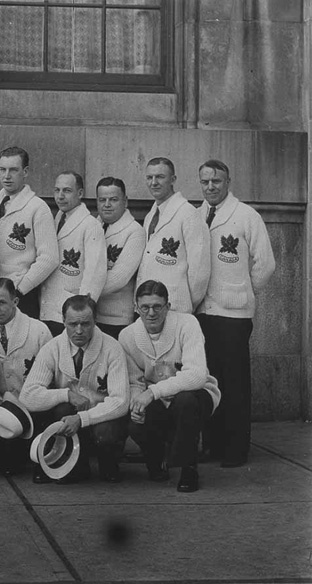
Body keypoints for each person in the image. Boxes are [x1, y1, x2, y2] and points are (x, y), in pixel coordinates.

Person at [195, 160, 275, 467]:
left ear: (228, 181)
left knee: (235, 384)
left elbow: (265, 264)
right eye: (205, 182)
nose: (211, 187)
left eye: (216, 181)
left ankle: (235, 450)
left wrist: (243, 289)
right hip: (204, 311)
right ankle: (212, 444)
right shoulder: (197, 214)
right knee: (209, 380)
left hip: (234, 314)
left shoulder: (246, 215)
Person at [119, 280, 221, 493]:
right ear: (136, 308)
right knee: (135, 420)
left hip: (194, 395)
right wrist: (137, 402)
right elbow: (134, 381)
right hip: (155, 399)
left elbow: (196, 376)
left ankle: (188, 468)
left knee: (185, 401)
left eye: (157, 306)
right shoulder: (127, 335)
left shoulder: (187, 324)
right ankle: (156, 460)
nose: (151, 313)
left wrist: (152, 392)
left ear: (168, 306)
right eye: (145, 307)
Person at [20, 295, 129, 484]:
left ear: (95, 321)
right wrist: (66, 394)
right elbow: (28, 396)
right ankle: (76, 465)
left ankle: (108, 463)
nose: (79, 331)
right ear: (63, 321)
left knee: (106, 433)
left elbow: (120, 401)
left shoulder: (112, 347)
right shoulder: (52, 348)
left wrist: (82, 419)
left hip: (100, 416)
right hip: (69, 416)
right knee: (61, 408)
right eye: (72, 324)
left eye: (86, 324)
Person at [0, 277, 52, 475]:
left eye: (1, 302)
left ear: (15, 302)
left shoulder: (38, 330)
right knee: (3, 462)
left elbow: (52, 373)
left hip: (34, 404)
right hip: (2, 407)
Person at [0, 147, 59, 320]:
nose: (7, 176)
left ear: (25, 172)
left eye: (13, 170)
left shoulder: (37, 207)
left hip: (21, 295)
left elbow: (49, 257)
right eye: (2, 170)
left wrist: (20, 289)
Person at [137, 157, 210, 314]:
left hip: (176, 306)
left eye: (160, 177)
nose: (154, 182)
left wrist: (186, 301)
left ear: (173, 179)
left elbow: (199, 270)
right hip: (149, 306)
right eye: (149, 177)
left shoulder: (188, 213)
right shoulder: (152, 214)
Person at [41, 171, 106, 337]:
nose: (60, 196)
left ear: (80, 193)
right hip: (47, 307)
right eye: (57, 190)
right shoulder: (56, 219)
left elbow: (95, 273)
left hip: (70, 311)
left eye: (67, 191)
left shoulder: (90, 225)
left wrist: (81, 314)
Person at [95, 177, 146, 339]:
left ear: (125, 201)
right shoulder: (93, 226)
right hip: (90, 315)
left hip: (116, 319)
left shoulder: (134, 231)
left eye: (113, 200)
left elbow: (120, 278)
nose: (107, 204)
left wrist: (85, 292)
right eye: (102, 200)